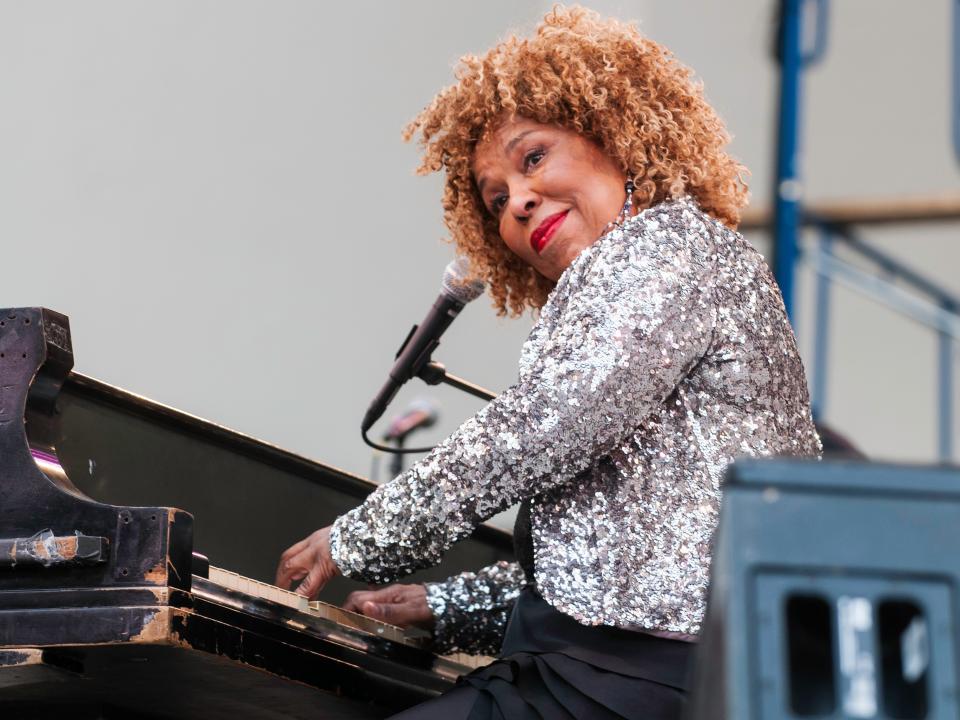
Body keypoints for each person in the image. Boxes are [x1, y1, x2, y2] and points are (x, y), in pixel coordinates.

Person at [276, 6, 821, 718]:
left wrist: (358, 538)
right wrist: (444, 602)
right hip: (614, 672)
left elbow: (545, 427)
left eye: (533, 158)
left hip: (639, 681)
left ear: (614, 133)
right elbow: (613, 561)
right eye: (497, 200)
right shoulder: (639, 280)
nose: (520, 202)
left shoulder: (669, 250)